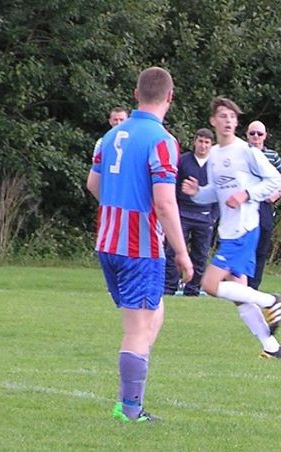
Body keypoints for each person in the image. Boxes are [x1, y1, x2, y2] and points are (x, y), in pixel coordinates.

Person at [87, 67, 193, 424]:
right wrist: (182, 252)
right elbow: (164, 202)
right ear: (170, 97)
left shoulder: (111, 135)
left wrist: (116, 205)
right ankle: (129, 409)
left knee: (153, 314)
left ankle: (129, 400)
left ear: (136, 94)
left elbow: (93, 184)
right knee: (138, 329)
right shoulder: (162, 140)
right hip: (140, 247)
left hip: (108, 242)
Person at [181, 97, 281, 359]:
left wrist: (246, 195)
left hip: (244, 228)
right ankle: (272, 347)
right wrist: (197, 193)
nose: (228, 121)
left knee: (210, 284)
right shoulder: (215, 155)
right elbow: (215, 193)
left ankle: (270, 301)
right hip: (228, 231)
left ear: (237, 122)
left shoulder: (246, 151)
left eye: (232, 117)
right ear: (213, 121)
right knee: (240, 294)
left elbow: (274, 180)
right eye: (223, 116)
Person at [165, 128, 216, 296]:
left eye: (207, 142)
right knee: (173, 251)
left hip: (205, 216)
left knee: (200, 255)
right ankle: (169, 287)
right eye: (200, 141)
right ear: (195, 142)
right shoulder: (183, 161)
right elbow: (172, 187)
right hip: (182, 214)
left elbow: (220, 192)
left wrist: (213, 216)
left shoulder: (215, 164)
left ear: (211, 145)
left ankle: (193, 290)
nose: (203, 146)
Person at [246, 120, 281, 290]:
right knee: (245, 244)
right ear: (247, 135)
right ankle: (240, 282)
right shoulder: (242, 154)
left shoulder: (272, 156)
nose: (256, 136)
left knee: (262, 246)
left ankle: (254, 285)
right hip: (245, 203)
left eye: (259, 133)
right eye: (252, 133)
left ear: (265, 136)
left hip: (264, 205)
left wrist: (276, 195)